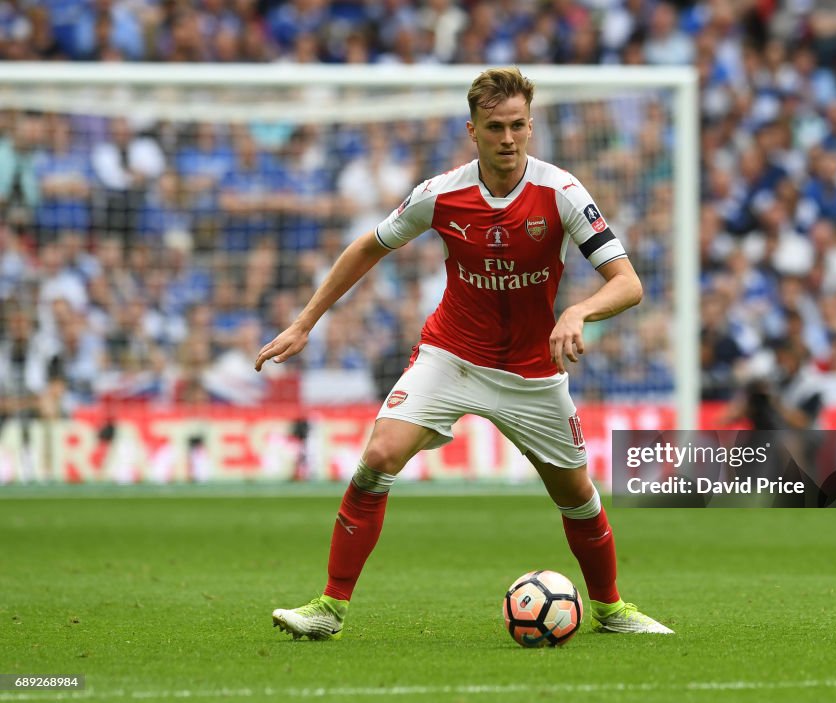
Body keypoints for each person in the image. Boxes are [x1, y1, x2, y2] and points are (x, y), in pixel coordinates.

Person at [255, 67, 672, 640]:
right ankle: (330, 607)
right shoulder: (441, 193)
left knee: (575, 495)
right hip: (450, 354)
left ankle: (610, 609)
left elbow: (628, 283)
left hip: (531, 370)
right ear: (471, 130)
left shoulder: (562, 193)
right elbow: (369, 245)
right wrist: (305, 322)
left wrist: (578, 312)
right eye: (495, 127)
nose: (508, 138)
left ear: (532, 126)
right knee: (378, 457)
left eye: (518, 126)